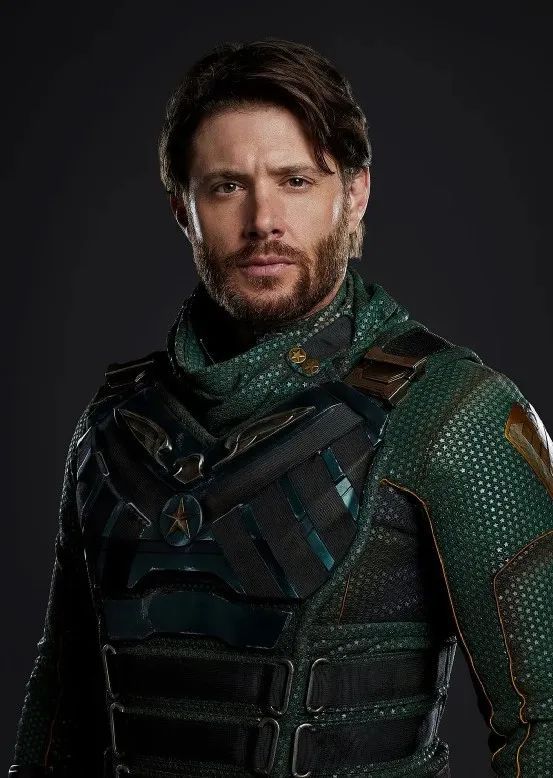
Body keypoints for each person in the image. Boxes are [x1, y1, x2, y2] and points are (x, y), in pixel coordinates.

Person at [9, 39, 552, 778]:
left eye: (295, 180)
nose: (263, 219)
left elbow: (546, 716)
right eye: (226, 186)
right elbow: (59, 711)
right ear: (182, 209)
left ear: (353, 194)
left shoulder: (451, 413)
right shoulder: (111, 432)